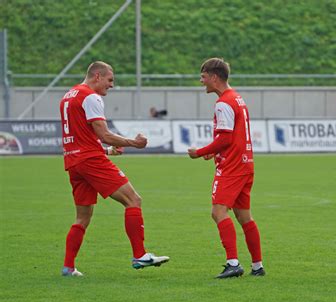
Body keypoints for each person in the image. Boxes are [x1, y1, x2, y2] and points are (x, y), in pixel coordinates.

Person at [60, 61, 169, 276]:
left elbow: (82, 137)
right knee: (133, 200)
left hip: (74, 162)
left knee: (82, 217)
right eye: (110, 80)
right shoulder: (91, 96)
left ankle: (68, 267)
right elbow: (104, 134)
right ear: (97, 76)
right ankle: (139, 255)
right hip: (90, 161)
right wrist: (133, 143)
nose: (111, 85)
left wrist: (108, 151)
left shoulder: (68, 95)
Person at [187, 58, 264, 279]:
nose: (202, 82)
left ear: (214, 77)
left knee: (218, 212)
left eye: (203, 77)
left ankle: (233, 264)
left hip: (232, 166)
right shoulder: (237, 98)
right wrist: (214, 151)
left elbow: (225, 139)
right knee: (244, 217)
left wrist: (200, 152)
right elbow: (232, 137)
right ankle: (257, 266)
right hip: (245, 163)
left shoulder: (223, 103)